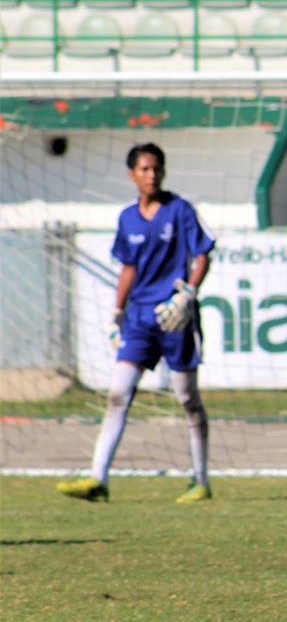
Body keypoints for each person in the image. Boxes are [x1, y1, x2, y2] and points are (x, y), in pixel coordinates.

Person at [57, 143, 216, 504]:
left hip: (174, 317)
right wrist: (116, 313)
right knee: (117, 395)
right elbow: (128, 268)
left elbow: (204, 253)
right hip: (140, 319)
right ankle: (98, 479)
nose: (152, 175)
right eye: (144, 169)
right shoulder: (128, 218)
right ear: (132, 174)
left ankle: (201, 480)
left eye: (157, 168)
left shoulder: (181, 210)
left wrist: (187, 295)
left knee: (188, 399)